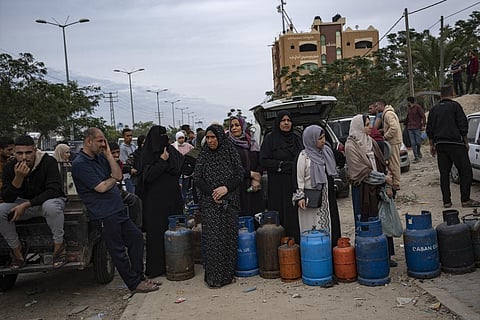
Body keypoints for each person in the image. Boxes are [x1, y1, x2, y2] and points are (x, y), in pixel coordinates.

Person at [72, 128, 159, 293]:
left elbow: (118, 175)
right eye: (99, 141)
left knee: (136, 239)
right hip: (103, 213)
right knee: (118, 251)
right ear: (88, 141)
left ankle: (139, 277)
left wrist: (109, 156)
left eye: (104, 140)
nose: (103, 144)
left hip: (117, 209)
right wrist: (112, 178)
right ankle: (134, 283)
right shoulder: (80, 164)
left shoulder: (100, 158)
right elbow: (102, 187)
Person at [0, 135, 67, 269]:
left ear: (35, 150)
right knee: (1, 210)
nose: (24, 157)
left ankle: (59, 246)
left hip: (47, 202)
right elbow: (7, 197)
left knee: (51, 206)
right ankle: (17, 250)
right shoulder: (10, 167)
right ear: (14, 153)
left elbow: (53, 190)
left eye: (28, 152)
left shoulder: (48, 162)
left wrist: (26, 204)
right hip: (23, 204)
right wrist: (18, 178)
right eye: (19, 153)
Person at [193, 124, 243, 288]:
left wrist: (226, 189)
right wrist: (212, 193)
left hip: (229, 201)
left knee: (228, 238)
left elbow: (239, 174)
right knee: (213, 240)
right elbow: (197, 178)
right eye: (207, 138)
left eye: (213, 137)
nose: (210, 140)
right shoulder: (204, 155)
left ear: (220, 137)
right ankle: (214, 278)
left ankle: (227, 276)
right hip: (210, 203)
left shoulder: (230, 151)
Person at [345, 115, 397, 266]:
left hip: (378, 188)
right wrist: (384, 179)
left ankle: (386, 255)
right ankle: (368, 256)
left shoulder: (371, 142)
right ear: (358, 126)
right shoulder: (351, 146)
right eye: (367, 124)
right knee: (366, 221)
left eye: (370, 124)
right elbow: (361, 173)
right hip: (362, 190)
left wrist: (387, 184)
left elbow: (382, 163)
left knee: (382, 220)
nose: (370, 127)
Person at [140, 125, 184, 278]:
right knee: (156, 234)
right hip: (155, 203)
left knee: (176, 232)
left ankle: (177, 264)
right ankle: (157, 268)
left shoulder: (171, 151)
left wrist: (166, 162)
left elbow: (179, 167)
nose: (163, 139)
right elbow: (148, 176)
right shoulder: (147, 156)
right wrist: (161, 161)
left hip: (172, 199)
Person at [426, 85, 480, 208]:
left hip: (440, 145)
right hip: (456, 144)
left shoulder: (434, 110)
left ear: (441, 95)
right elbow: (463, 125)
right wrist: (466, 142)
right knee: (466, 171)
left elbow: (429, 129)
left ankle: (447, 201)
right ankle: (465, 200)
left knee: (444, 174)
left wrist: (431, 145)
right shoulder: (456, 106)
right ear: (452, 93)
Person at [292, 125, 341, 247]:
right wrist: (300, 196)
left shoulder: (326, 152)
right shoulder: (304, 156)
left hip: (326, 197)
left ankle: (329, 250)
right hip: (310, 199)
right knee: (311, 227)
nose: (323, 141)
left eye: (324, 137)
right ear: (311, 139)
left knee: (329, 223)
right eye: (320, 138)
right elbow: (299, 178)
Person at [260, 110, 303, 243]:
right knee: (280, 213)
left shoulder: (296, 138)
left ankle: (295, 244)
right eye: (283, 120)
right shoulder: (270, 139)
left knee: (294, 214)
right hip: (277, 185)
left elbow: (302, 157)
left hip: (293, 183)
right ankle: (280, 244)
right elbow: (264, 160)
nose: (286, 123)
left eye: (288, 120)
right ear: (278, 122)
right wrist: (284, 165)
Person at [228, 116, 264, 222]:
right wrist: (250, 174)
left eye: (237, 125)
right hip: (237, 187)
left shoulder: (251, 142)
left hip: (254, 186)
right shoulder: (228, 146)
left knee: (256, 216)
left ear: (243, 127)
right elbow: (230, 167)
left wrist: (256, 178)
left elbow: (260, 160)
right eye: (232, 126)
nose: (234, 128)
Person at [376, 99, 402, 190]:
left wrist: (385, 136)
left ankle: (396, 183)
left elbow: (394, 127)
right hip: (393, 140)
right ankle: (395, 181)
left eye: (377, 106)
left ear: (381, 105)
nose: (376, 108)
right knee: (393, 162)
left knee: (394, 162)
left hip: (393, 141)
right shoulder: (387, 114)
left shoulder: (388, 114)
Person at [183, 129, 205, 203]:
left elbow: (186, 171)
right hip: (200, 186)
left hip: (197, 184)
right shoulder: (209, 153)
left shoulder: (191, 154)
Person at [405, 97, 426, 162]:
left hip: (417, 127)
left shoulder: (417, 107)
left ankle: (418, 151)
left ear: (409, 101)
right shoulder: (408, 109)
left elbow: (423, 116)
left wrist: (423, 125)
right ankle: (416, 157)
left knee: (418, 142)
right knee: (413, 143)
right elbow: (408, 117)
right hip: (410, 127)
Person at [119, 128, 137, 193]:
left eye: (131, 135)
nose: (130, 137)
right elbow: (124, 161)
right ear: (124, 137)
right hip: (128, 175)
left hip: (135, 173)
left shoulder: (133, 146)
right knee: (132, 193)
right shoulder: (122, 148)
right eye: (127, 136)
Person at [0, 137, 15, 203]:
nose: (12, 152)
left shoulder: (11, 163)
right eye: (9, 150)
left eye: (14, 150)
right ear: (0, 149)